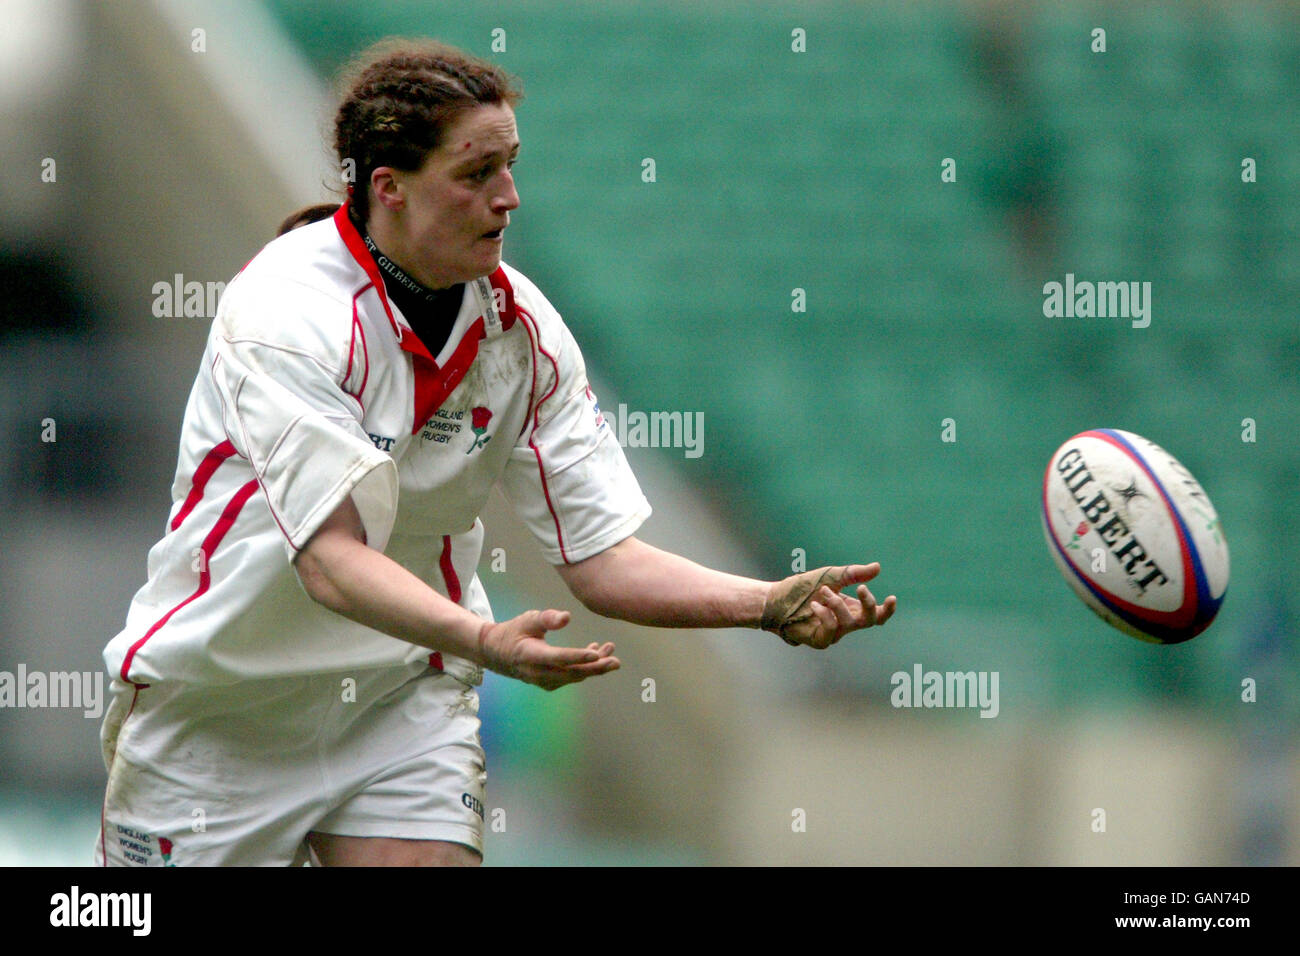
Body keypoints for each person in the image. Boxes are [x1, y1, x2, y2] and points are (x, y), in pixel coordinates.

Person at [97, 38, 897, 868]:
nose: (509, 198)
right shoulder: (285, 311)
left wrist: (764, 602)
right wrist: (487, 640)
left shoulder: (523, 334)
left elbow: (602, 559)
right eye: (478, 174)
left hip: (399, 698)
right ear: (390, 189)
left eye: (511, 166)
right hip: (219, 712)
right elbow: (331, 562)